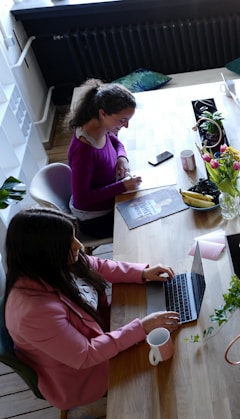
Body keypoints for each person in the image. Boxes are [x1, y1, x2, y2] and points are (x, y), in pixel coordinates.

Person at [3, 208, 180, 410]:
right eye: (69, 242)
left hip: (103, 330)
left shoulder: (51, 263)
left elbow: (97, 265)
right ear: (45, 252)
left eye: (74, 236)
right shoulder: (33, 313)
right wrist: (142, 328)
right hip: (82, 375)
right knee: (169, 379)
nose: (79, 245)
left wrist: (142, 273)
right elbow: (85, 355)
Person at [67, 79, 142, 239]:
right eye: (122, 120)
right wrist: (122, 187)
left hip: (111, 196)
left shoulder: (100, 126)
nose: (126, 125)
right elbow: (82, 199)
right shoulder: (84, 150)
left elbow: (115, 141)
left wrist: (122, 158)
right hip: (95, 219)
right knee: (144, 226)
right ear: (103, 113)